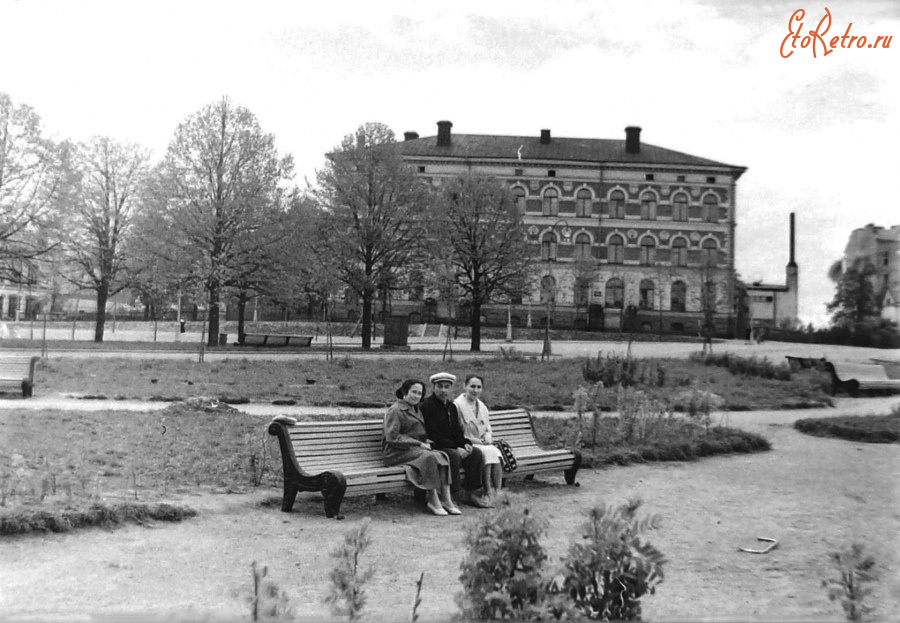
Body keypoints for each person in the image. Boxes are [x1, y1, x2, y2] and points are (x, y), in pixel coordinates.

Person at [382, 379, 462, 516]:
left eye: (419, 393)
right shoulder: (395, 410)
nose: (416, 396)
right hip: (395, 453)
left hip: (413, 451)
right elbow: (392, 437)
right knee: (430, 457)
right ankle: (433, 500)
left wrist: (425, 443)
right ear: (404, 392)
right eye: (414, 392)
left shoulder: (416, 409)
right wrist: (418, 444)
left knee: (442, 456)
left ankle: (446, 499)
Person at [420, 372, 491, 509]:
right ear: (433, 387)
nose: (443, 390)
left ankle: (470, 493)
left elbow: (456, 431)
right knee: (453, 454)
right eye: (440, 386)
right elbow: (432, 434)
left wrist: (465, 443)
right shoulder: (427, 406)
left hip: (450, 445)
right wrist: (456, 447)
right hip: (435, 446)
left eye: (447, 387)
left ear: (451, 389)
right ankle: (454, 493)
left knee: (475, 453)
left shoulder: (451, 407)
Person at [454, 373, 503, 505]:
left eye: (479, 387)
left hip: (481, 442)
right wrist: (474, 441)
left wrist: (487, 437)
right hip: (466, 443)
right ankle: (487, 491)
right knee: (486, 452)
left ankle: (497, 491)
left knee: (495, 451)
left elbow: (487, 428)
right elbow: (456, 431)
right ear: (465, 386)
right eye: (472, 386)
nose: (475, 390)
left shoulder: (482, 406)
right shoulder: (457, 405)